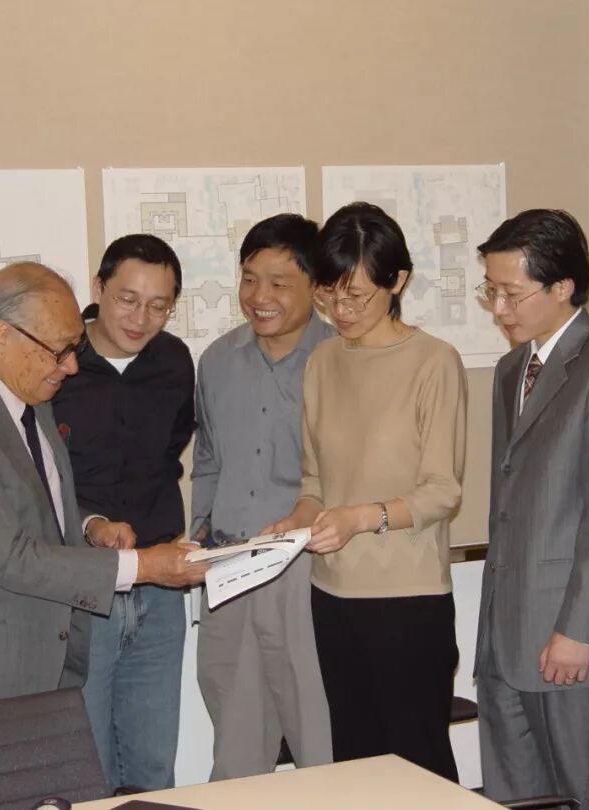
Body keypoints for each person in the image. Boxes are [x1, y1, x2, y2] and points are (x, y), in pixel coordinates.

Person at [0, 262, 209, 718]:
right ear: (2, 336)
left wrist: (90, 526)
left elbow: (35, 504)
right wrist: (147, 566)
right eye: (59, 351)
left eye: (75, 348)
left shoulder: (30, 401)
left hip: (36, 666)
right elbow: (12, 558)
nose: (70, 366)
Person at [267, 202, 468, 781]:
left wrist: (360, 518)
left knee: (419, 765)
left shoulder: (434, 362)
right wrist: (297, 521)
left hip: (408, 599)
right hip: (332, 594)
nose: (341, 311)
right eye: (329, 295)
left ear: (397, 281)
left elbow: (442, 491)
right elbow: (315, 481)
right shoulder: (323, 360)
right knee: (355, 762)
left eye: (355, 295)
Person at [473, 209, 589, 802]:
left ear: (562, 287)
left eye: (511, 293)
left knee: (585, 791)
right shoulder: (512, 369)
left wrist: (577, 631)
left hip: (569, 635)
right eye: (491, 292)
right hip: (506, 631)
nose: (500, 309)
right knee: (515, 793)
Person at [192, 213, 334, 779]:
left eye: (279, 282)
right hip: (228, 568)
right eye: (249, 279)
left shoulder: (340, 359)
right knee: (235, 749)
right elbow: (208, 459)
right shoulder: (217, 359)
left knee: (319, 739)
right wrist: (200, 535)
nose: (259, 296)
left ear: (315, 286)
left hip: (306, 572)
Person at [51, 235, 195, 791]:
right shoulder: (59, 365)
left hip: (160, 591)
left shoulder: (174, 361)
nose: (141, 318)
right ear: (98, 289)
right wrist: (91, 523)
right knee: (87, 767)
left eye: (159, 305)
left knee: (153, 765)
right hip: (82, 592)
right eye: (127, 299)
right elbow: (38, 475)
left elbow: (171, 449)